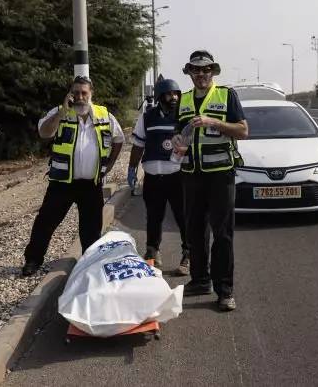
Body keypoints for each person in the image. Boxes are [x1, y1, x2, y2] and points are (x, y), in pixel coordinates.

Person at [22, 75, 125, 276]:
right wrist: (61, 111)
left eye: (83, 93)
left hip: (91, 184)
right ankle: (33, 260)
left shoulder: (104, 115)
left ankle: (90, 264)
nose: (79, 97)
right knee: (45, 222)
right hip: (62, 183)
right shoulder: (61, 112)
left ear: (91, 94)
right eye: (75, 92)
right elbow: (44, 132)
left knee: (91, 228)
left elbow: (119, 138)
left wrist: (109, 166)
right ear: (70, 94)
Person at [172, 50, 248, 312]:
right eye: (196, 70)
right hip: (191, 175)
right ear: (189, 72)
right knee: (194, 231)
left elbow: (243, 130)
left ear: (213, 72)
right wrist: (176, 144)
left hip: (221, 175)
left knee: (222, 233)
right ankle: (200, 280)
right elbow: (177, 134)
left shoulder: (226, 95)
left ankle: (224, 290)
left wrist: (211, 121)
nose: (201, 74)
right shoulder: (182, 100)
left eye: (206, 70)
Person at [127, 78, 189, 276]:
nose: (174, 98)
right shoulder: (147, 117)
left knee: (183, 217)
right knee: (154, 217)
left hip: (177, 177)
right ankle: (152, 252)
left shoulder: (183, 117)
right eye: (170, 94)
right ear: (160, 96)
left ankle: (188, 254)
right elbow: (138, 145)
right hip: (153, 177)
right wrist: (132, 168)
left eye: (177, 94)